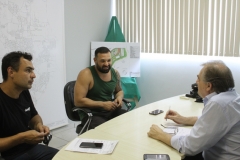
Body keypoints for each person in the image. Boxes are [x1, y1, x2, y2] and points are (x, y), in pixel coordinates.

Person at [147, 60, 240, 160]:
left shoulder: (218, 104)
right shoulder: (232, 97)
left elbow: (189, 147)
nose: (196, 81)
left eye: (198, 78)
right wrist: (183, 119)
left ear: (209, 86)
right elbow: (210, 121)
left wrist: (161, 135)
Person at [0, 51, 58, 160]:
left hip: (30, 148)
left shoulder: (23, 91)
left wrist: (38, 125)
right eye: (28, 70)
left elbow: (33, 116)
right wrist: (22, 138)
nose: (34, 75)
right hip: (8, 156)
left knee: (63, 156)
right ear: (11, 72)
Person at [74, 46, 127, 130]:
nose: (106, 64)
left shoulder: (115, 73)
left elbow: (119, 91)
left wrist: (119, 98)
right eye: (102, 61)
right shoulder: (85, 74)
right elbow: (78, 101)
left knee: (128, 121)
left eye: (109, 60)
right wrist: (102, 105)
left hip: (110, 110)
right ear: (95, 60)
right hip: (92, 114)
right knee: (105, 131)